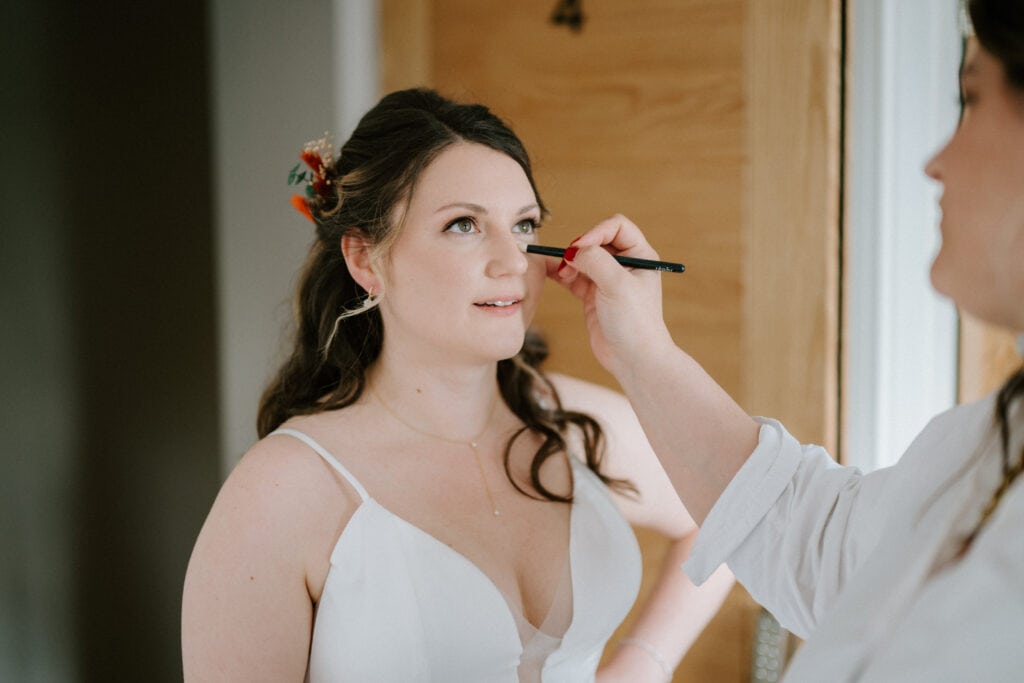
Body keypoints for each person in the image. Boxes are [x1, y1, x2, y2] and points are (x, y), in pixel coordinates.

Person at [181, 88, 734, 681]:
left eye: (524, 224)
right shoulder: (283, 489)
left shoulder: (569, 420)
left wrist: (640, 664)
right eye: (464, 225)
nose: (514, 261)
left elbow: (732, 516)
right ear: (365, 259)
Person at [551, 1, 1024, 680]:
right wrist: (641, 349)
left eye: (969, 99)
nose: (935, 163)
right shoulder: (990, 441)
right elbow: (825, 550)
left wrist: (642, 659)